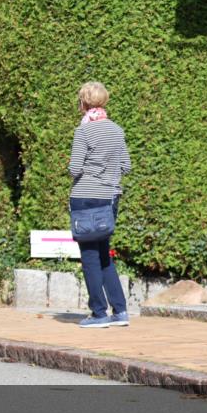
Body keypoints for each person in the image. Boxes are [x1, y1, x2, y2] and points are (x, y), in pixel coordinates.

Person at [68, 81, 132, 328]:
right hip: (109, 198)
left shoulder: (83, 132)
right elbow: (126, 166)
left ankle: (98, 313)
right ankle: (120, 311)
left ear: (83, 103)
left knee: (90, 256)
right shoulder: (117, 130)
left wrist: (89, 169)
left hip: (85, 196)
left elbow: (74, 168)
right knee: (104, 254)